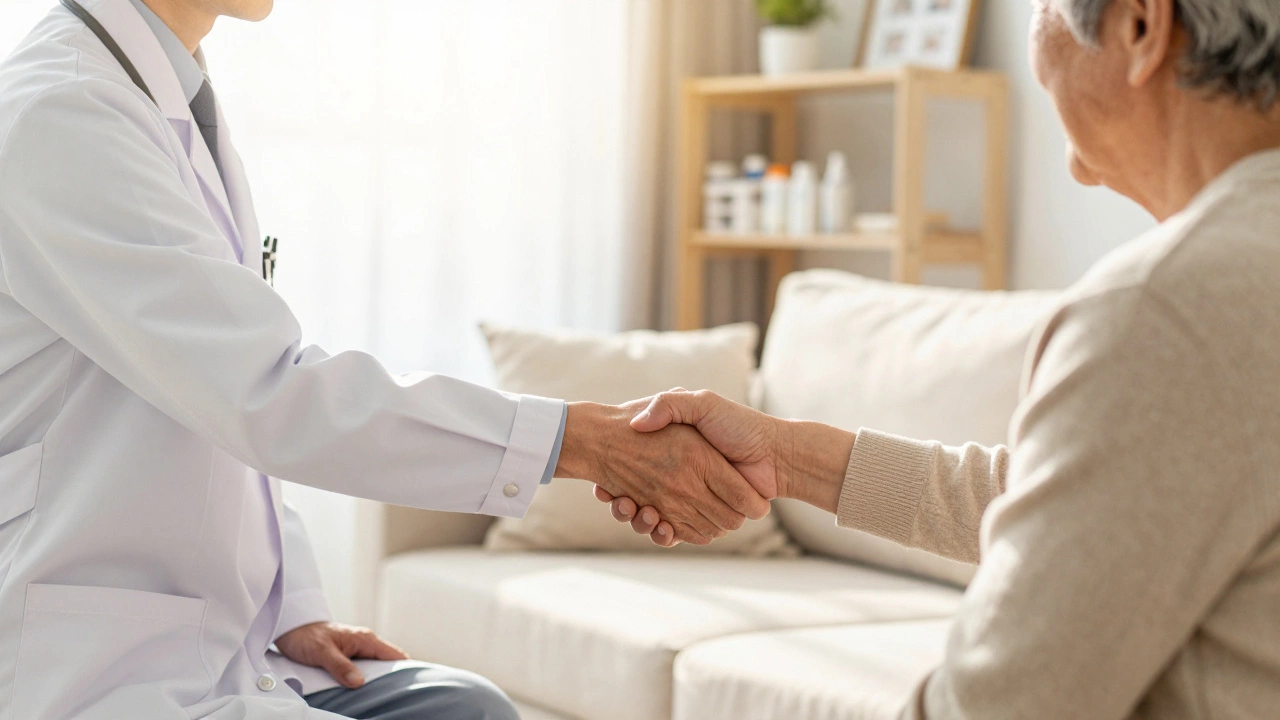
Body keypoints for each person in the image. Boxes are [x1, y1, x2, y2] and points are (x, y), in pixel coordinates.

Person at [0, 1, 769, 719]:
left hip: (214, 637)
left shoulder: (163, 93)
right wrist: (576, 441)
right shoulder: (66, 111)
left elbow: (214, 401)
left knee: (470, 707)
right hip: (90, 658)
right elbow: (266, 392)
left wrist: (294, 608)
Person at [602, 0, 1280, 717]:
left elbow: (1001, 704)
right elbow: (1075, 504)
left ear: (1140, 27)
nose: (1075, 168)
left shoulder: (1163, 310)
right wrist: (789, 457)